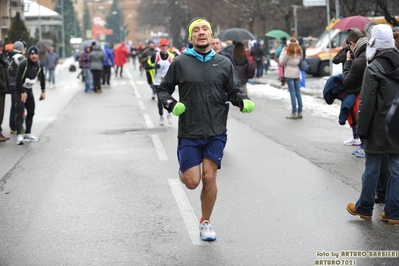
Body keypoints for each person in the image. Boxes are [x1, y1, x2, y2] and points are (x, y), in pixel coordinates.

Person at [157, 18, 254, 241]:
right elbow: (164, 90)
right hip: (190, 131)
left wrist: (242, 100)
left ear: (211, 35)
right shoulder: (181, 62)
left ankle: (205, 222)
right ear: (191, 37)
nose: (201, 33)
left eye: (205, 29)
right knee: (193, 182)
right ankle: (184, 170)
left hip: (216, 130)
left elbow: (234, 90)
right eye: (196, 30)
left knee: (209, 178)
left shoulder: (223, 62)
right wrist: (172, 104)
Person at [346, 24, 399, 224]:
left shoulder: (374, 67)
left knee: (372, 169)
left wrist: (362, 130)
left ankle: (365, 208)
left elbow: (367, 103)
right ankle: (394, 211)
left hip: (377, 127)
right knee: (397, 168)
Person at [14, 46, 46, 145]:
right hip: (19, 90)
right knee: (19, 112)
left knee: (31, 112)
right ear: (28, 55)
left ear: (38, 55)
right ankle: (19, 135)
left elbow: (42, 77)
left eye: (36, 54)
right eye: (32, 54)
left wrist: (43, 90)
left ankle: (28, 133)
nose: (34, 56)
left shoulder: (39, 65)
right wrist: (22, 92)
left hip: (28, 90)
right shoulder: (24, 64)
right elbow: (18, 80)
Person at [342, 28, 367, 153]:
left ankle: (363, 147)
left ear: (352, 43)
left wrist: (348, 62)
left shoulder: (359, 60)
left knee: (360, 116)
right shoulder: (373, 52)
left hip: (365, 94)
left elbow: (347, 82)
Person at [146, 38, 174, 125]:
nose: (164, 48)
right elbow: (147, 66)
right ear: (160, 47)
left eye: (165, 46)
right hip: (157, 82)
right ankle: (161, 116)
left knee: (169, 99)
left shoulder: (171, 56)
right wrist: (154, 66)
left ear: (167, 46)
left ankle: (169, 114)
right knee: (160, 101)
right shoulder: (155, 56)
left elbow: (175, 68)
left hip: (168, 82)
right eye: (162, 46)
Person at [279, 37, 303, 119]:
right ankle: (300, 111)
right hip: (297, 72)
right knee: (298, 92)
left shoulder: (287, 51)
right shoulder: (299, 50)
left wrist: (283, 52)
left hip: (289, 72)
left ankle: (294, 112)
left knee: (292, 92)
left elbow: (281, 62)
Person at [6, 41, 25, 135]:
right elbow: (26, 69)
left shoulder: (8, 56)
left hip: (10, 84)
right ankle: (19, 127)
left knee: (13, 106)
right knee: (20, 106)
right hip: (18, 85)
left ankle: (12, 127)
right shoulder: (20, 57)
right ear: (21, 48)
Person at [0, 40, 10, 142]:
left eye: (2, 47)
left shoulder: (2, 58)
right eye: (0, 47)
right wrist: (3, 86)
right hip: (1, 88)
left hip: (3, 90)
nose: (2, 48)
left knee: (2, 112)